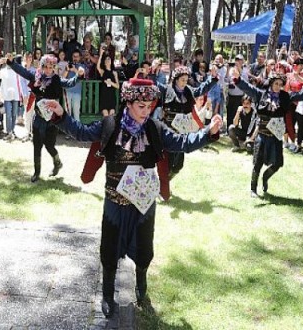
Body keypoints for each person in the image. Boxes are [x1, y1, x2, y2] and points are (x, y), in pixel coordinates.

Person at [43, 78, 223, 318]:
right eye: (141, 106)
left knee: (144, 247)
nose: (146, 111)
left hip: (144, 203)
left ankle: (141, 283)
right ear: (128, 102)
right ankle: (108, 294)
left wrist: (207, 133)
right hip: (115, 202)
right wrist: (61, 115)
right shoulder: (110, 125)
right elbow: (80, 132)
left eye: (150, 106)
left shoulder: (155, 129)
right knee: (109, 248)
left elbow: (182, 143)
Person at [232, 69, 303, 197]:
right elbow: (248, 88)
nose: (278, 87)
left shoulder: (285, 97)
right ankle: (253, 189)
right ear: (271, 83)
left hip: (276, 135)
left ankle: (265, 177)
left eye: (280, 84)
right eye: (276, 84)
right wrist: (237, 79)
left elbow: (302, 94)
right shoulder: (260, 94)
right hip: (262, 135)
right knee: (257, 163)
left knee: (278, 163)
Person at [6, 53, 82, 182]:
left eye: (50, 67)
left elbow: (69, 83)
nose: (48, 69)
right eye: (45, 67)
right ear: (42, 66)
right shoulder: (37, 77)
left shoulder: (57, 79)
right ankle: (37, 172)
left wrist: (79, 76)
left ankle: (57, 163)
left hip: (52, 120)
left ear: (53, 67)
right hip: (39, 117)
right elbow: (23, 72)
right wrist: (12, 63)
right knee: (37, 145)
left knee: (49, 145)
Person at [156, 65, 219, 177]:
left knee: (179, 165)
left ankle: (168, 180)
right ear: (176, 79)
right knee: (167, 163)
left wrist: (212, 78)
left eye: (186, 80)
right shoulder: (166, 89)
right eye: (182, 80)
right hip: (169, 130)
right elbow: (154, 85)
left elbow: (201, 89)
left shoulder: (189, 91)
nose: (184, 83)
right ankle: (164, 186)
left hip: (182, 131)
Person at [96, 48, 120, 117]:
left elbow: (117, 86)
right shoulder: (103, 72)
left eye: (109, 59)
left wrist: (110, 82)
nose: (108, 60)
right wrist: (101, 55)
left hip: (111, 97)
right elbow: (98, 67)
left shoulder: (114, 72)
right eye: (106, 59)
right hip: (104, 97)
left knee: (111, 116)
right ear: (104, 62)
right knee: (106, 116)